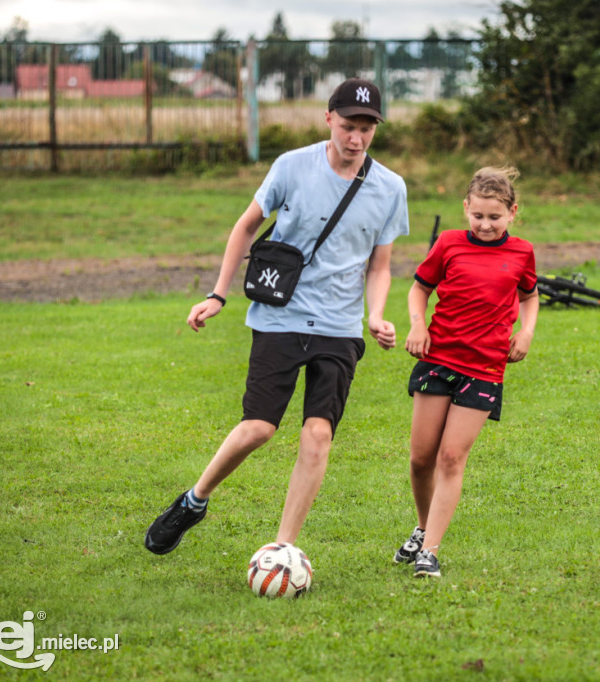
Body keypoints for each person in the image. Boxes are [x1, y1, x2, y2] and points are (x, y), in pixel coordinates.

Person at [145, 78, 409, 555]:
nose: (356, 139)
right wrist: (217, 295)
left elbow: (381, 264)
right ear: (328, 118)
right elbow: (245, 227)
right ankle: (193, 501)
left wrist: (377, 315)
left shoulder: (390, 188)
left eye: (367, 129)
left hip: (339, 327)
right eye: (349, 126)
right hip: (279, 316)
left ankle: (283, 547)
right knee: (259, 428)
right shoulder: (291, 166)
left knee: (318, 434)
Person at [393, 167, 539, 577]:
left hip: (486, 367)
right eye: (478, 216)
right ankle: (422, 529)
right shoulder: (449, 244)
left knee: (451, 457)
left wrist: (526, 332)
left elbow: (530, 296)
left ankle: (431, 552)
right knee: (422, 459)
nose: (485, 225)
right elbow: (419, 287)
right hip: (438, 360)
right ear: (466, 209)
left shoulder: (522, 252)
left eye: (495, 217)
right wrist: (417, 325)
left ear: (512, 212)